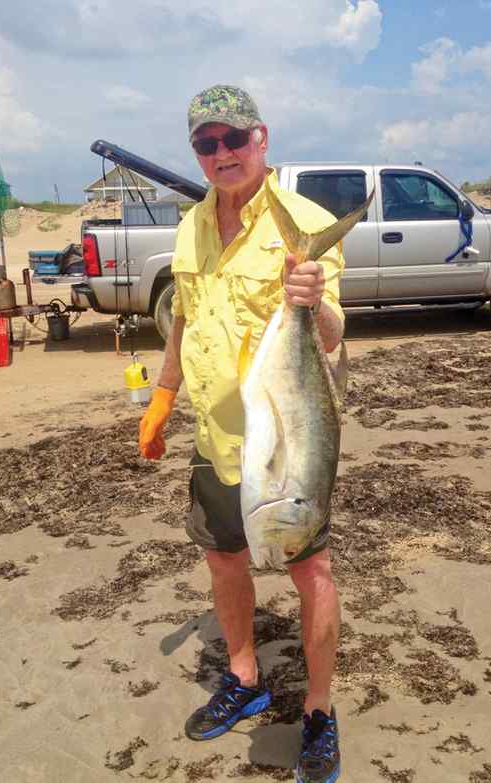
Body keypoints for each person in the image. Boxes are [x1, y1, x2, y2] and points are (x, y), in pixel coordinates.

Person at [139, 84, 345, 783]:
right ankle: (245, 675)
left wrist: (311, 301)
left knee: (309, 569)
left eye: (234, 139)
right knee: (224, 559)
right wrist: (163, 394)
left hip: (287, 443)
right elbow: (187, 321)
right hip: (215, 440)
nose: (221, 153)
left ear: (262, 137)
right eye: (206, 142)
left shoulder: (305, 220)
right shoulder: (191, 226)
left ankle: (318, 711)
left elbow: (335, 335)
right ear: (196, 150)